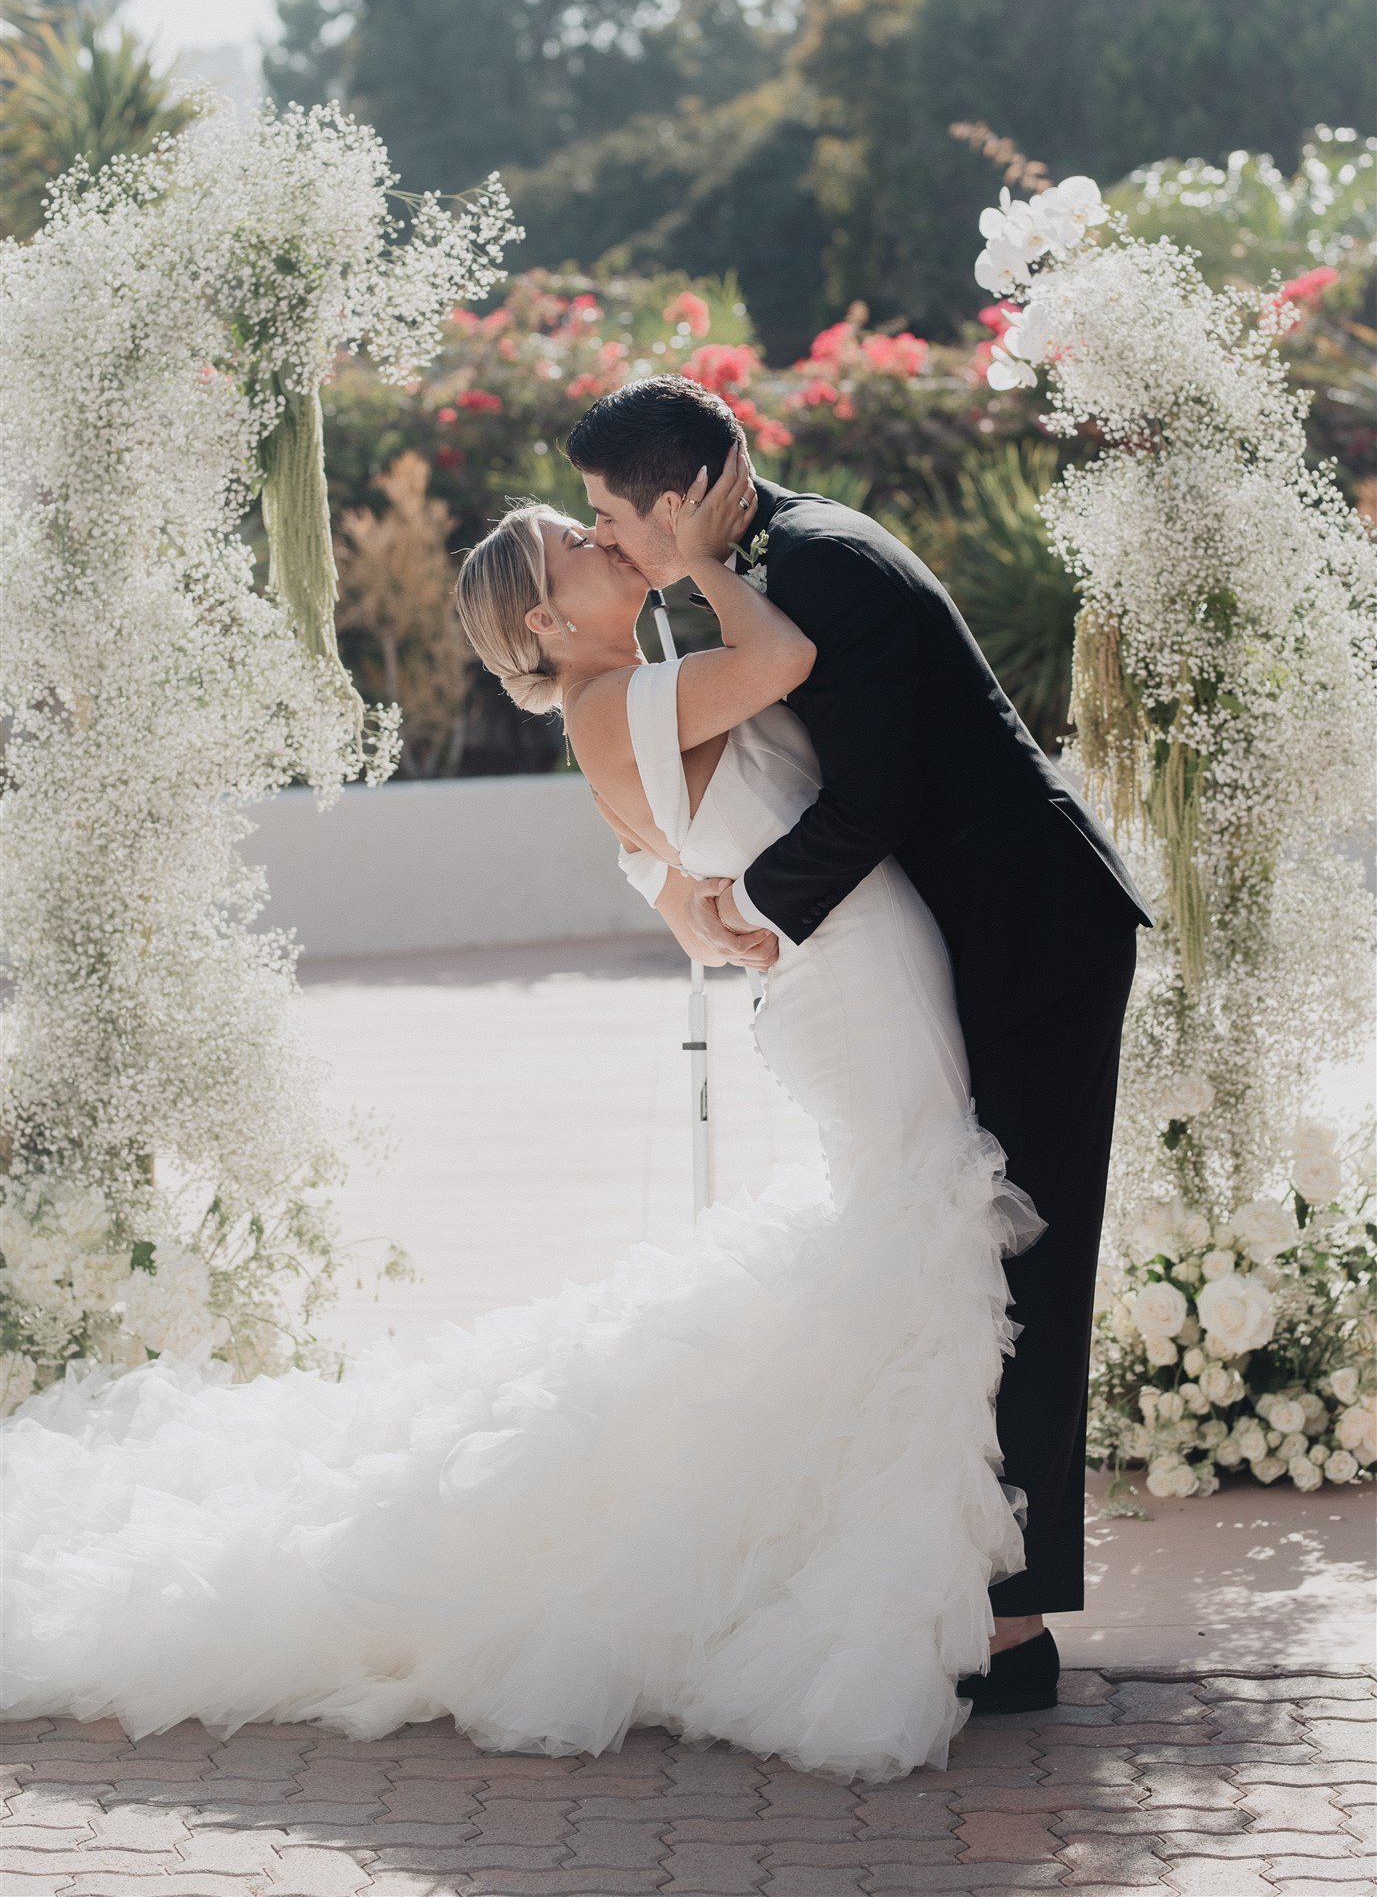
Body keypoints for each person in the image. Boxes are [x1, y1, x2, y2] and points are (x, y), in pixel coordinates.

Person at [1, 443, 1041, 1785]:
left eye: (601, 531)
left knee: (903, 1243)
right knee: (916, 1238)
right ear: (547, 622)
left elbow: (676, 903)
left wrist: (718, 907)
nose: (614, 548)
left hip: (841, 978)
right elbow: (778, 666)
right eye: (583, 549)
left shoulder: (621, 707)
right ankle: (899, 1581)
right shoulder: (621, 703)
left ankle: (870, 1553)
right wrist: (706, 555)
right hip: (851, 989)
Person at [563, 376, 1152, 1712]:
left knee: (1022, 1255)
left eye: (610, 515)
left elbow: (878, 789)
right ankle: (966, 1589)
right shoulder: (741, 570)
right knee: (966, 1245)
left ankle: (1010, 1632)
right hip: (966, 939)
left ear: (676, 501)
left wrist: (755, 909)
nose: (603, 541)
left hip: (1033, 938)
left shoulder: (820, 563)